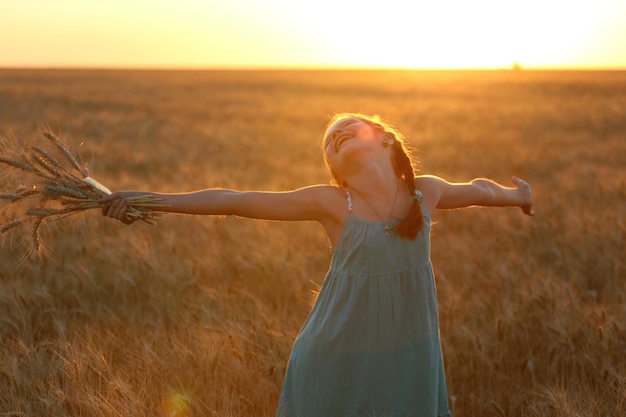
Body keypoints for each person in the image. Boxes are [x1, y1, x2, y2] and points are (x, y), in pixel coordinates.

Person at [100, 113, 533, 417]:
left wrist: (518, 196)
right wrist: (144, 200)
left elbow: (481, 190)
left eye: (349, 127)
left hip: (409, 356)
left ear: (385, 139)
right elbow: (232, 200)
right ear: (334, 170)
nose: (338, 134)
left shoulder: (425, 192)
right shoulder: (331, 203)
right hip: (335, 355)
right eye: (330, 139)